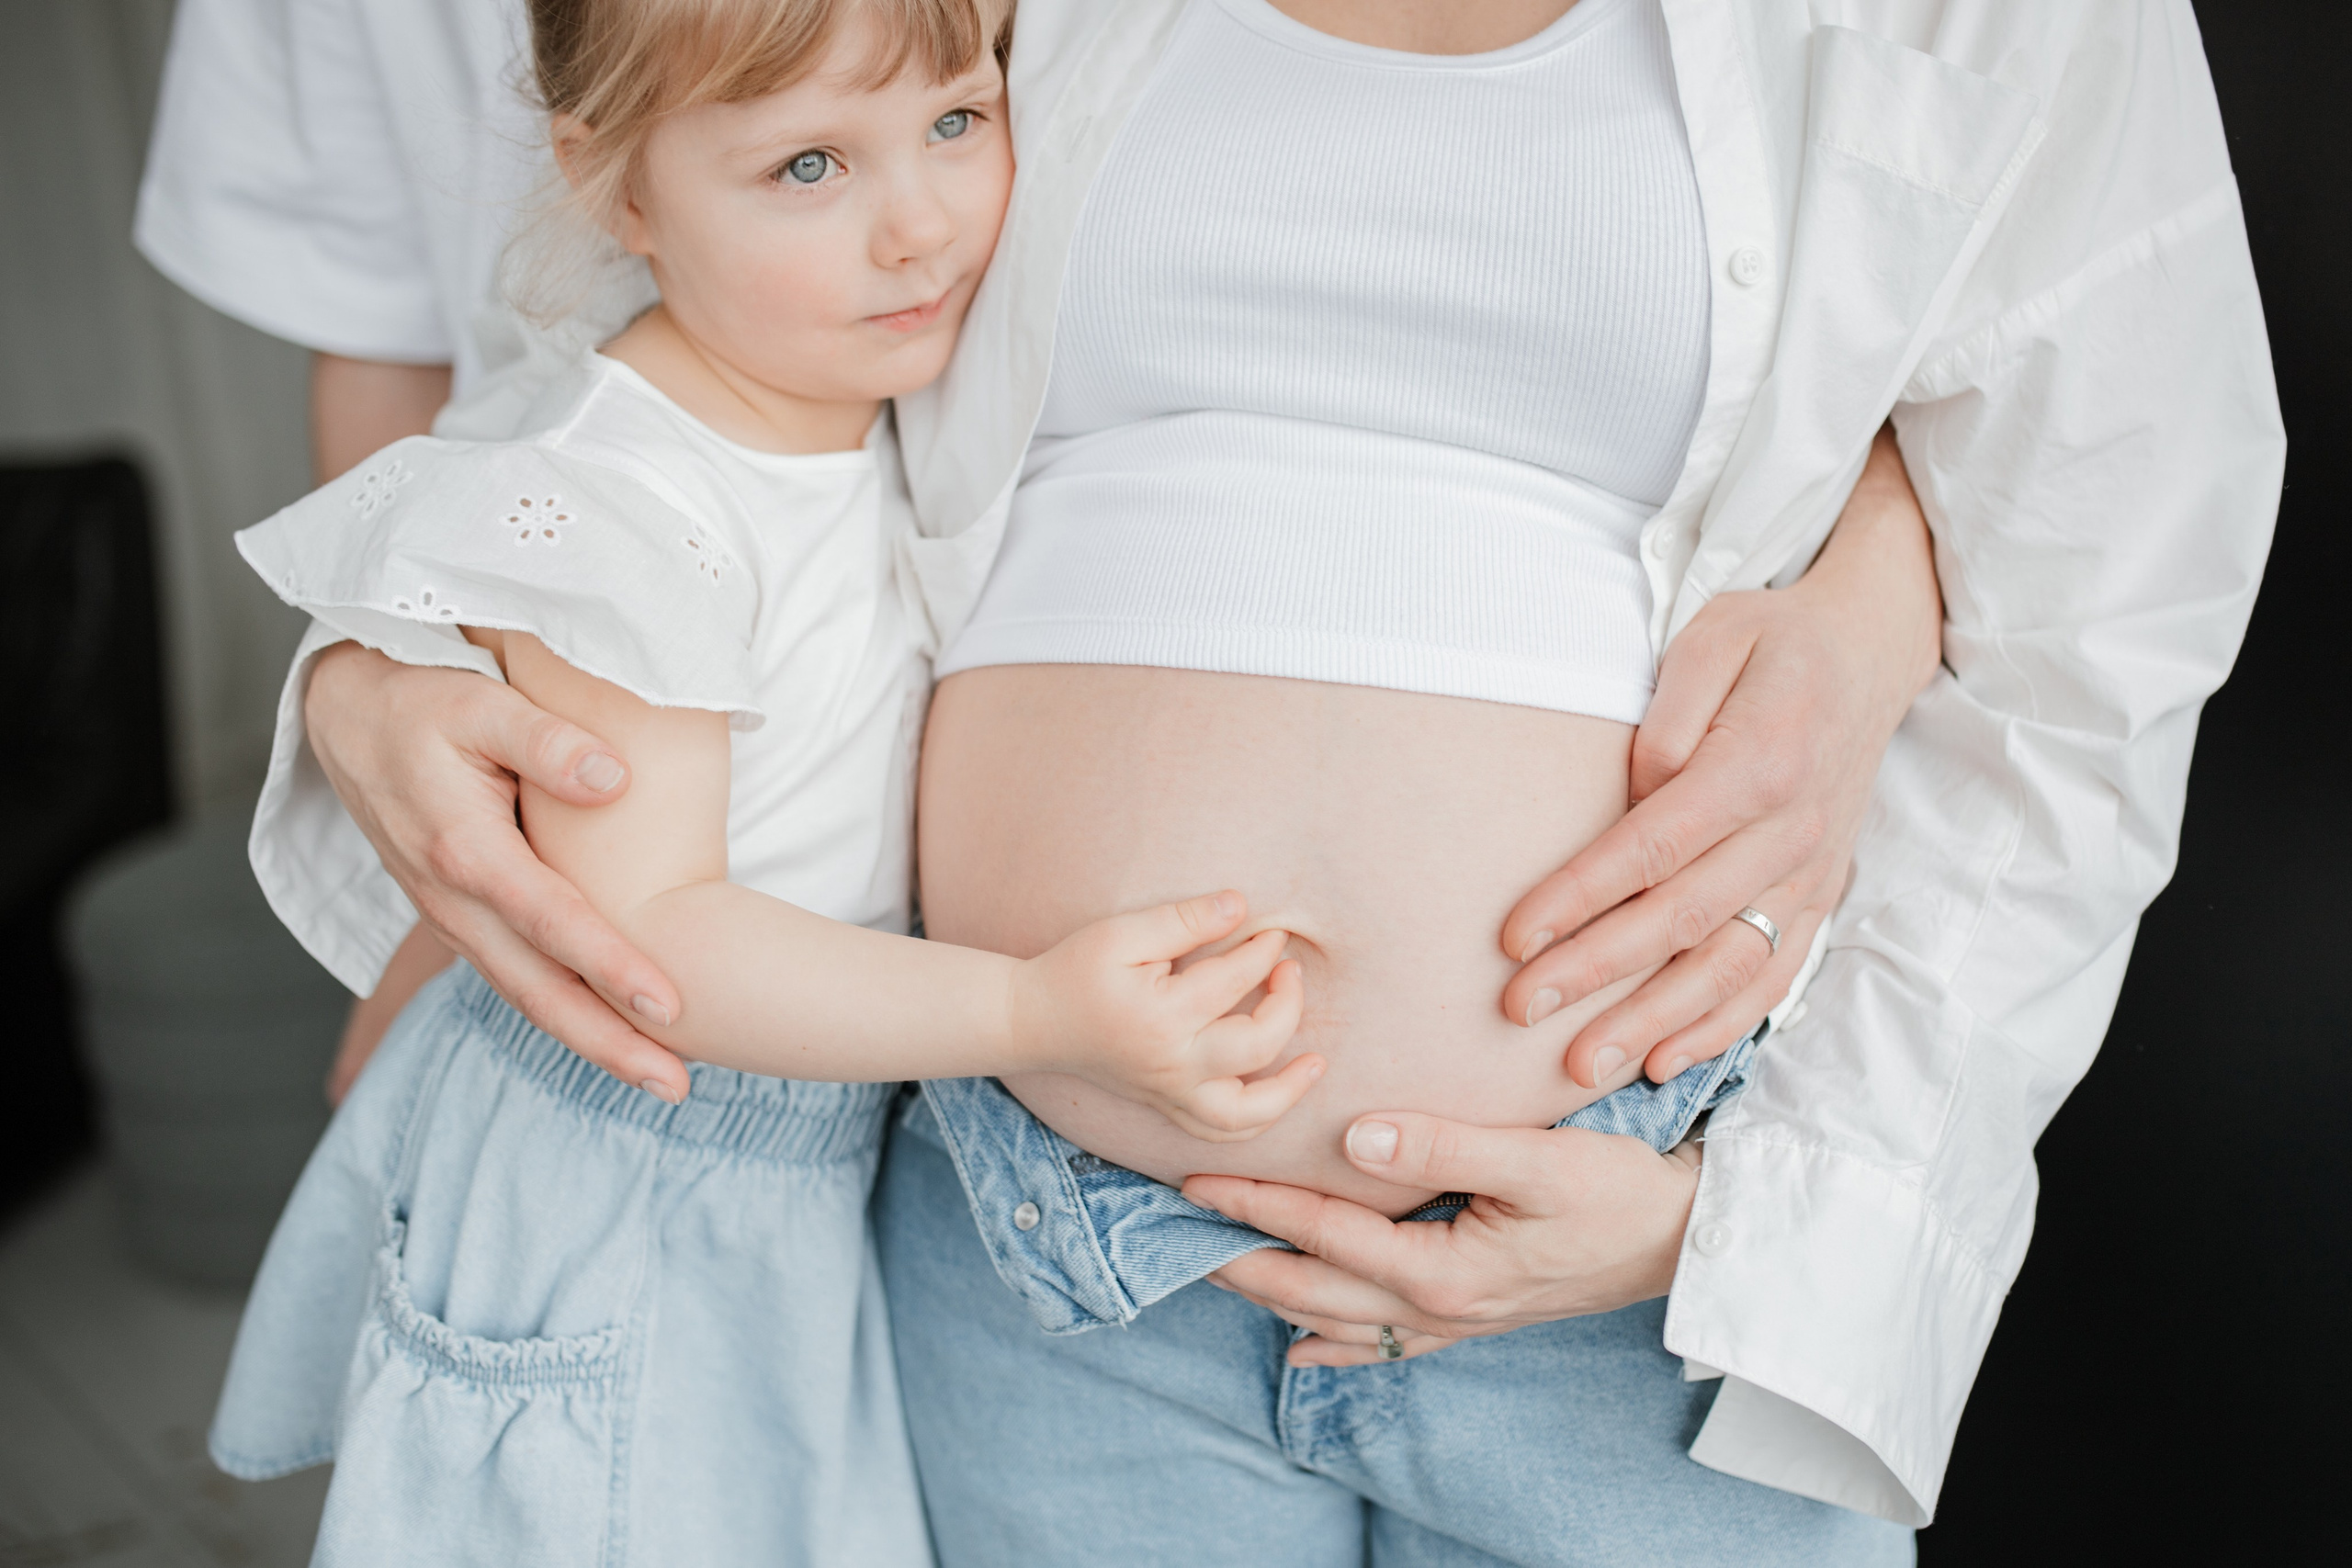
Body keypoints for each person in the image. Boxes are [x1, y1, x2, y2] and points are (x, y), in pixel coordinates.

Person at [138, 0, 2282, 1561]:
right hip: (1022, 1243)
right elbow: (683, 305)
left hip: (1622, 1264)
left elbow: (2095, 624)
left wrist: (1766, 1226)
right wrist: (394, 652)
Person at [200, 0, 1343, 1559]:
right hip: (636, 1173)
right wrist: (1035, 1013)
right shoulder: (631, 508)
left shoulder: (844, 407)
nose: (920, 222)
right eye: (809, 164)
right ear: (617, 188)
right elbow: (655, 937)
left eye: (956, 118)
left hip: (787, 1156)